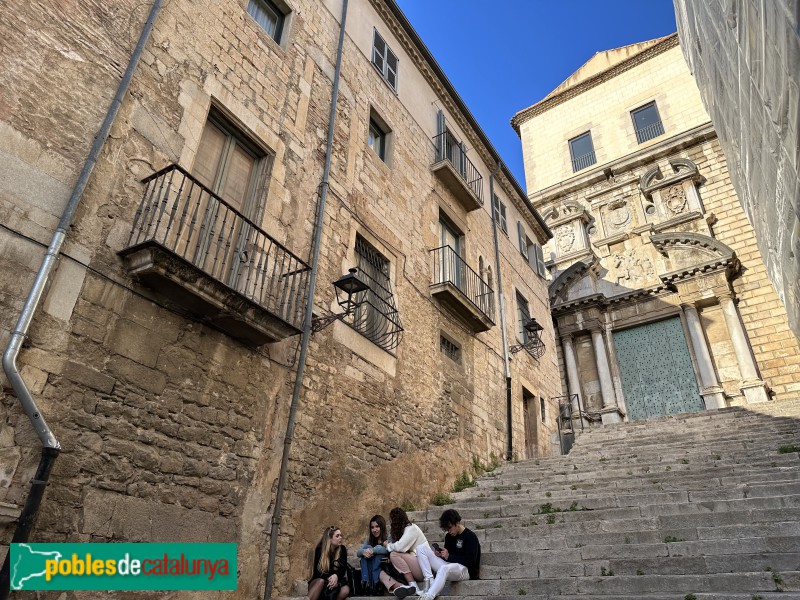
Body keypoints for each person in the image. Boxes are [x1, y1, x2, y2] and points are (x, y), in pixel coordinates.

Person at [415, 509, 480, 600]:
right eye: (446, 529)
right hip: (450, 567)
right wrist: (441, 554)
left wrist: (449, 556)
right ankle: (430, 580)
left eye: (449, 527)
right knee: (420, 548)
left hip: (465, 570)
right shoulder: (449, 536)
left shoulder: (470, 537)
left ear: (457, 523)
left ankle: (429, 595)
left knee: (443, 568)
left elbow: (470, 562)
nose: (448, 531)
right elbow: (448, 558)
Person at [379, 507, 429, 598]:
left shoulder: (411, 528)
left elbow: (400, 547)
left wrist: (387, 546)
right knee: (381, 573)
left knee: (394, 554)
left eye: (391, 520)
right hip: (410, 567)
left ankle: (414, 586)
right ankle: (404, 588)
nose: (390, 523)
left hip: (423, 567)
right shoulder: (398, 533)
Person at [308, 526, 350, 600]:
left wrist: (336, 576)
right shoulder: (320, 549)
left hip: (335, 582)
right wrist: (331, 579)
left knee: (345, 590)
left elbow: (343, 570)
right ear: (330, 539)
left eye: (341, 535)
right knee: (320, 582)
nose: (340, 537)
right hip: (321, 582)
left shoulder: (342, 549)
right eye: (337, 536)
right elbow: (318, 573)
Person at [357, 515, 391, 595]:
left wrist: (373, 550)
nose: (374, 530)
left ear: (382, 527)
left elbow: (387, 550)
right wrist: (364, 552)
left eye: (377, 527)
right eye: (372, 527)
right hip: (370, 563)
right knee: (366, 548)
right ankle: (367, 583)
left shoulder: (388, 537)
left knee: (377, 549)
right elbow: (358, 552)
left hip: (383, 566)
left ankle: (373, 583)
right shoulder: (370, 539)